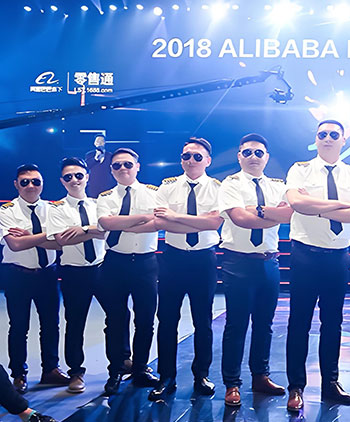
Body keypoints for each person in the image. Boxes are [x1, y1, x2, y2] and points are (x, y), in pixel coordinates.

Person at [284, 120, 350, 412]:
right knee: (299, 322)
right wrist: (337, 205)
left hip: (338, 256)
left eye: (333, 134)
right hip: (305, 254)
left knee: (333, 322)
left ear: (343, 140)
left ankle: (331, 382)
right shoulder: (299, 169)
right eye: (322, 134)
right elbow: (296, 203)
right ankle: (296, 387)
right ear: (315, 139)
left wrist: (315, 206)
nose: (327, 138)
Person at [217, 133, 292, 407]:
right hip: (238, 262)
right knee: (236, 325)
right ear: (239, 156)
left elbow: (288, 215)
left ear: (266, 157)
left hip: (269, 262)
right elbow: (240, 218)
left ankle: (260, 376)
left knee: (264, 324)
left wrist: (256, 210)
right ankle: (232, 383)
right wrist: (271, 213)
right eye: (247, 152)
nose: (253, 157)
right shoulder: (230, 184)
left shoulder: (278, 186)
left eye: (258, 152)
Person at [147, 138, 224, 401]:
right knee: (167, 319)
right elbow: (160, 222)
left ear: (208, 161)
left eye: (197, 157)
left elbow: (214, 223)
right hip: (173, 259)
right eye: (186, 156)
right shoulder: (167, 187)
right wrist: (196, 222)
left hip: (204, 260)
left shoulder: (217, 188)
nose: (191, 160)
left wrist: (175, 218)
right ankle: (166, 377)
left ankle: (201, 374)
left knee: (203, 321)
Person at [96, 148, 160, 395]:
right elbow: (107, 223)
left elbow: (158, 222)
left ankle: (140, 368)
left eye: (128, 164)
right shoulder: (105, 197)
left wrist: (123, 223)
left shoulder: (154, 193)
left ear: (137, 166)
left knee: (145, 319)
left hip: (145, 263)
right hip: (115, 263)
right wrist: (142, 218)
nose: (122, 168)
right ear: (111, 170)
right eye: (117, 165)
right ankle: (115, 370)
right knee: (114, 319)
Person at [0, 164, 67, 394]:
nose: (31, 186)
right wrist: (46, 236)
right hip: (17, 275)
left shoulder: (53, 209)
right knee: (19, 326)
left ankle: (51, 369)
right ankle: (18, 374)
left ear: (42, 184)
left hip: (48, 274)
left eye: (36, 181)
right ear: (16, 184)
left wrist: (31, 236)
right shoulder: (6, 211)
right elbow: (15, 244)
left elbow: (60, 244)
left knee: (51, 324)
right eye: (25, 181)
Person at [46, 157, 107, 394]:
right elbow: (61, 239)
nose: (74, 180)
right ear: (62, 181)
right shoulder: (56, 208)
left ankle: (122, 360)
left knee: (118, 315)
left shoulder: (99, 204)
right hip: (73, 272)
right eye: (68, 177)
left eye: (79, 175)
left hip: (102, 269)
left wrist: (81, 230)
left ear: (87, 177)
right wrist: (94, 230)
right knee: (75, 323)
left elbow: (107, 232)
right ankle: (76, 372)